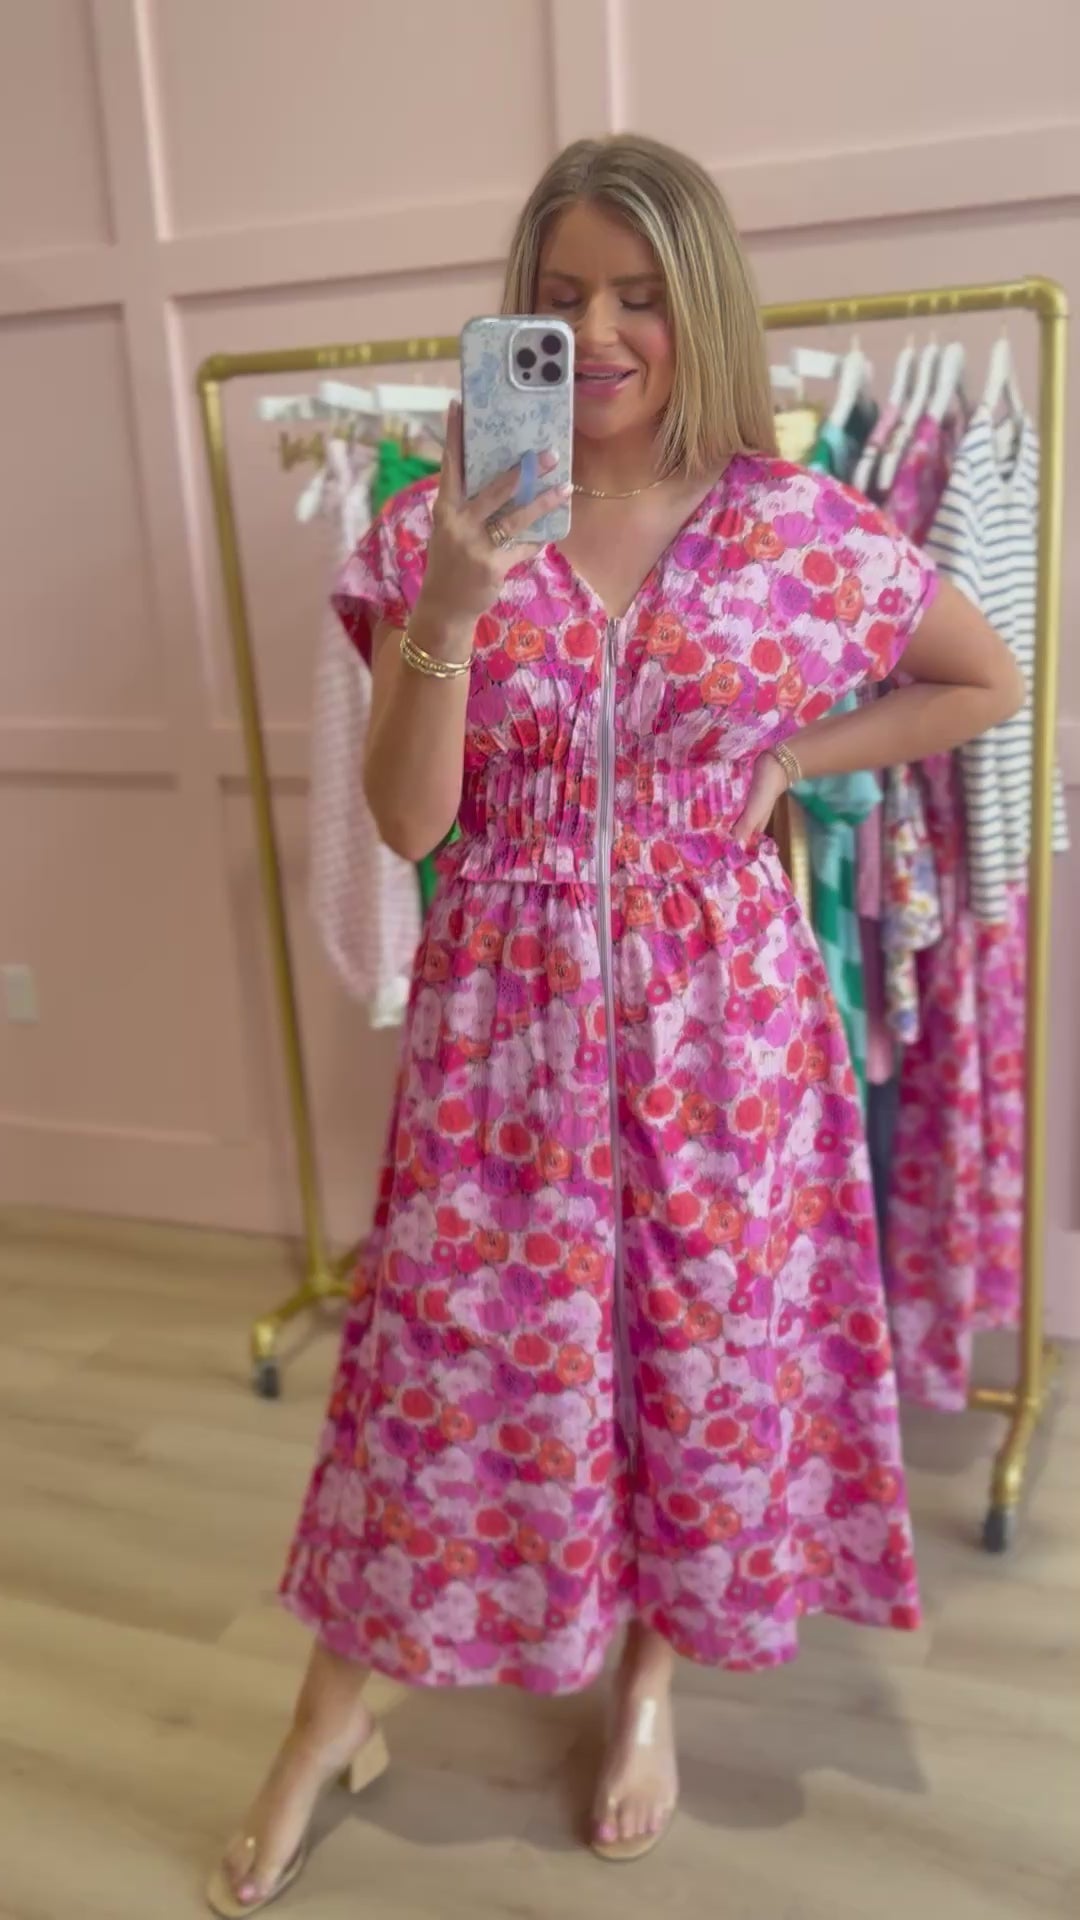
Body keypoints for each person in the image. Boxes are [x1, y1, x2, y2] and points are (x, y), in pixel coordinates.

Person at [208, 133, 1024, 1913]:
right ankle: (325, 1721)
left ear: (699, 306)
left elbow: (984, 677)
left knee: (697, 1364)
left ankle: (646, 1681)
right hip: (500, 1030)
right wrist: (450, 605)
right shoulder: (436, 526)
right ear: (519, 312)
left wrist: (795, 763)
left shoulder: (796, 528)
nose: (598, 331)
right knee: (441, 1376)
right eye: (563, 294)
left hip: (728, 1026)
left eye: (640, 295)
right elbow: (409, 824)